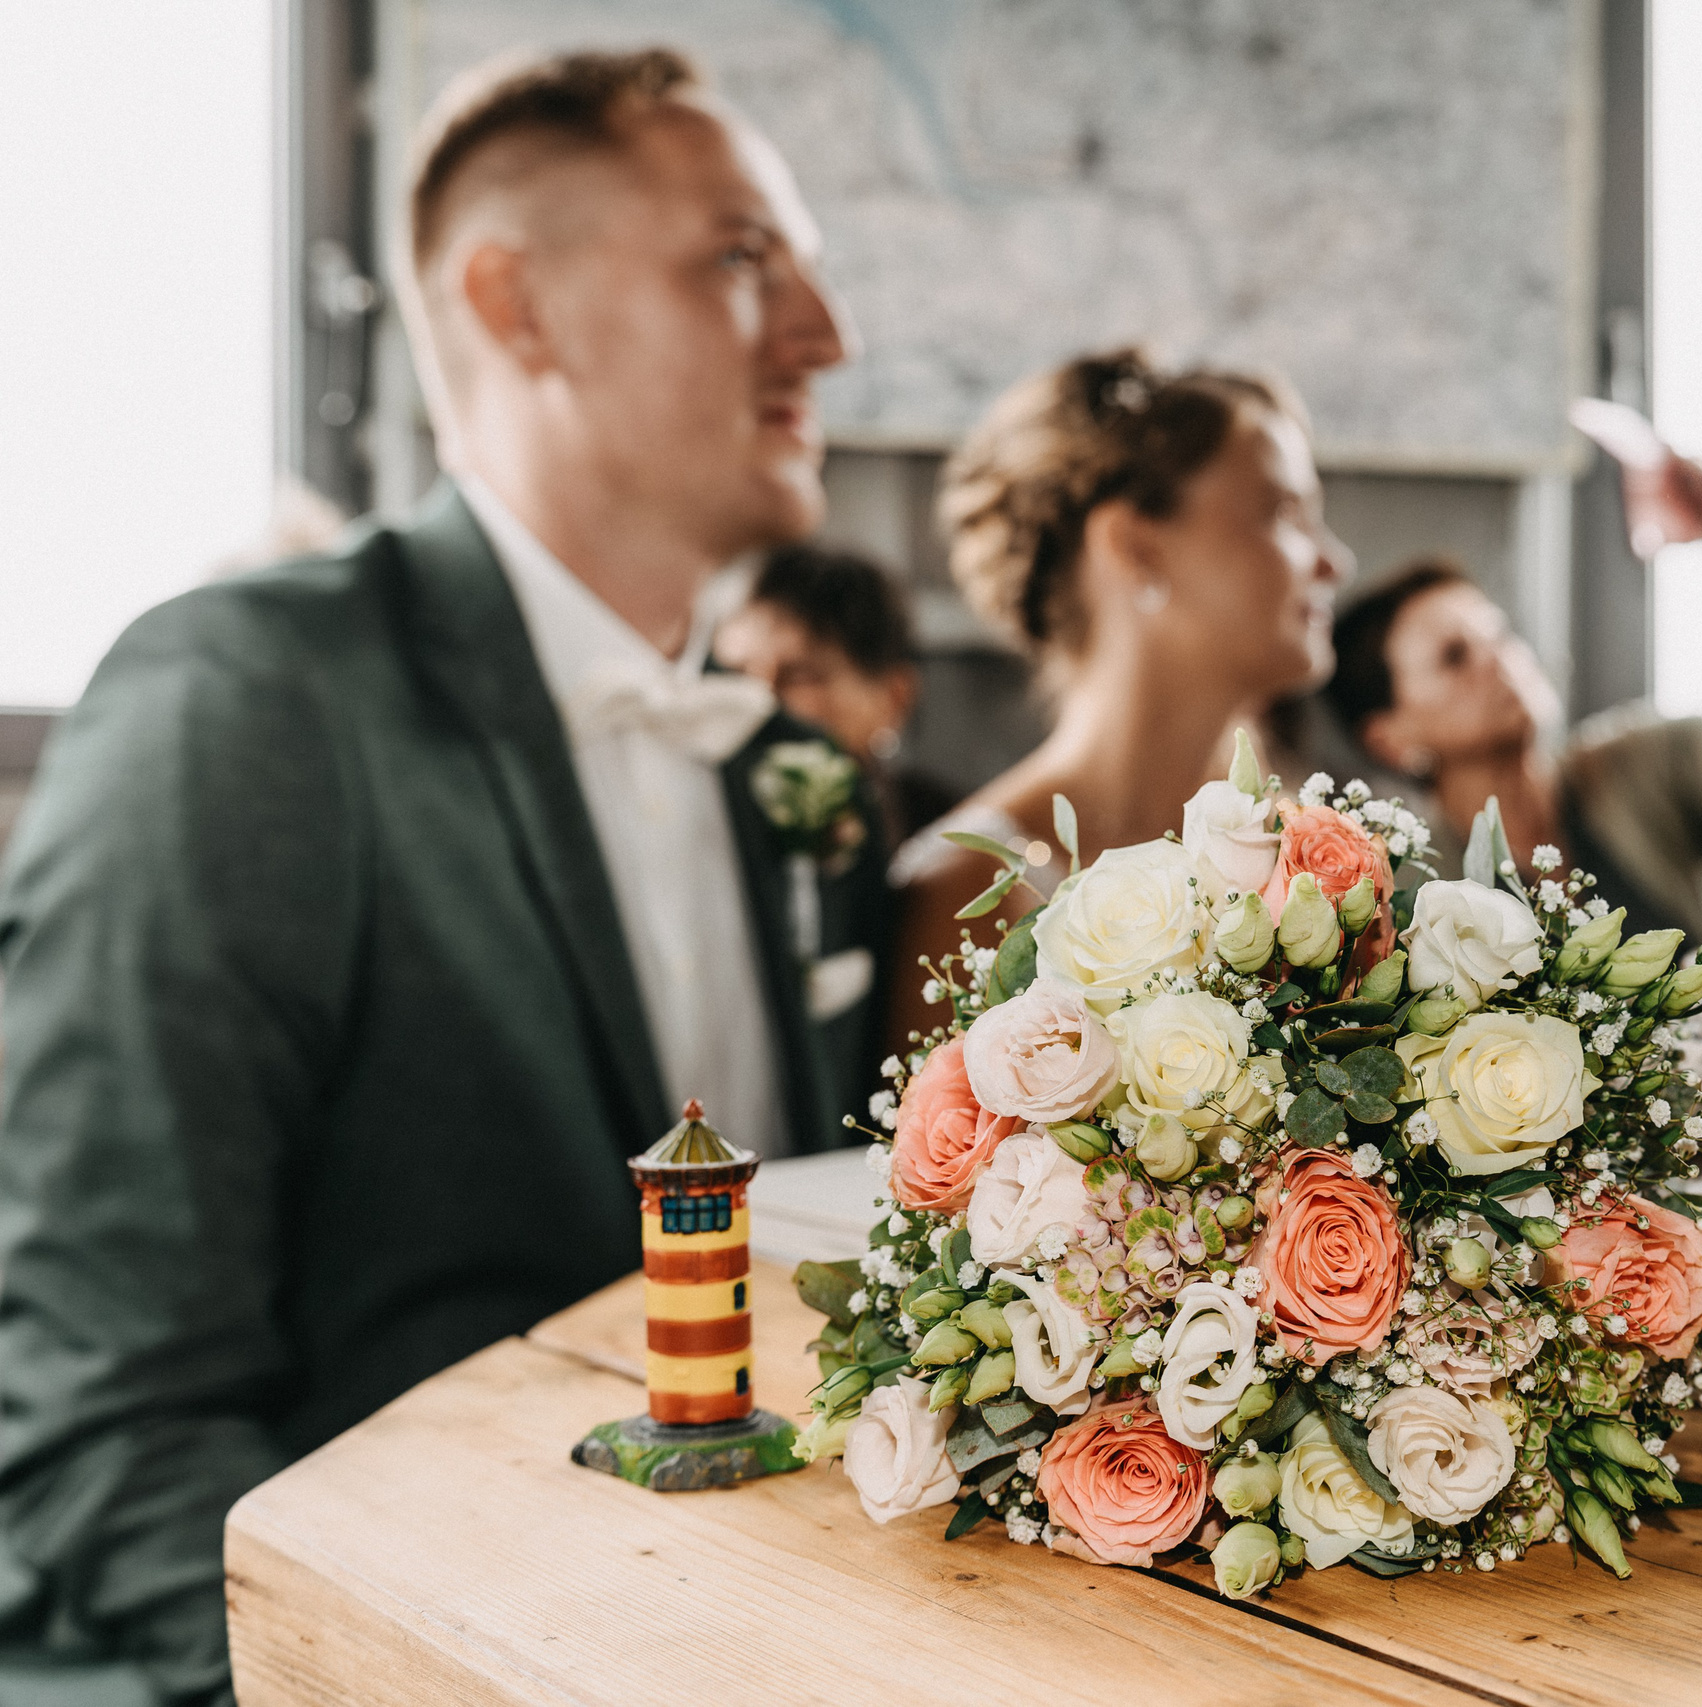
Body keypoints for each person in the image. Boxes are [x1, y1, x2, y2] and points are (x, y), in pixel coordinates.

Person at [0, 48, 857, 1703]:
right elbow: (104, 1416)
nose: (831, 334)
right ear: (516, 305)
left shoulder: (775, 771)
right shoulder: (251, 702)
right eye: (746, 259)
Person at [883, 347, 1350, 1051]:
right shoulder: (968, 893)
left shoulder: (1314, 864)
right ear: (1134, 544)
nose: (1331, 562)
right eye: (1284, 512)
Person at [1323, 448, 1702, 951]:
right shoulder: (1405, 887)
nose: (1498, 658)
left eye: (1499, 634)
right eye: (1454, 656)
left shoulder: (1639, 766)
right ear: (1391, 739)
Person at [716, 542, 958, 846]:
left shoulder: (949, 836)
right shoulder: (703, 816)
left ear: (894, 697)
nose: (756, 699)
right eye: (735, 673)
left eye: (801, 677)